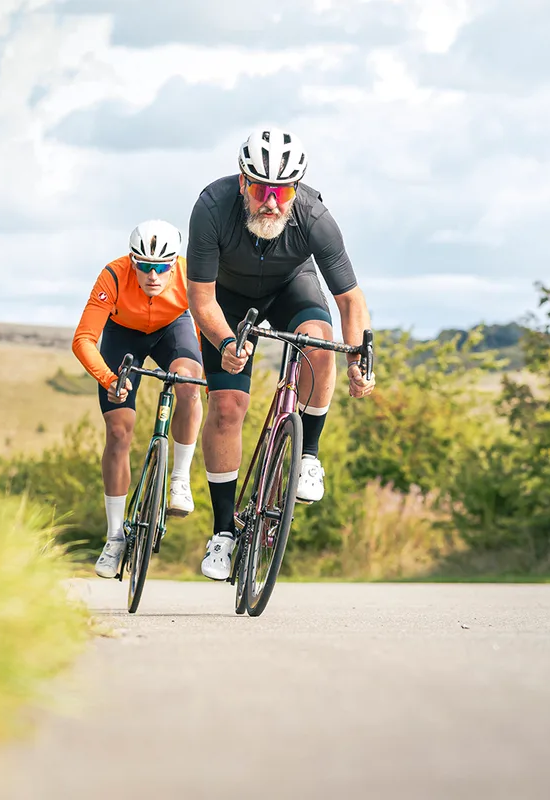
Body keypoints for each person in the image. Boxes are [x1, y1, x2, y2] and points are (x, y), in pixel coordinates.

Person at [186, 127, 377, 581]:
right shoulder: (211, 208)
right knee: (228, 407)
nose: (271, 201)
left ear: (297, 189)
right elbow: (201, 298)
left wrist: (360, 359)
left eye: (283, 190)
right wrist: (225, 343)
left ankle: (308, 454)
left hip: (291, 287)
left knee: (319, 340)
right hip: (227, 302)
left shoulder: (313, 216)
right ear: (242, 183)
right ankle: (223, 534)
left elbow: (351, 300)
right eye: (261, 189)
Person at [72, 219, 205, 579]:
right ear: (132, 261)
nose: (153, 275)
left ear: (174, 263)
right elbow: (83, 338)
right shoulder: (113, 276)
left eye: (162, 267)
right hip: (123, 334)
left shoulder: (191, 273)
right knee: (119, 431)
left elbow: (209, 320)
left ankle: (178, 478)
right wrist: (109, 378)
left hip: (172, 329)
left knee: (189, 385)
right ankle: (115, 536)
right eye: (144, 265)